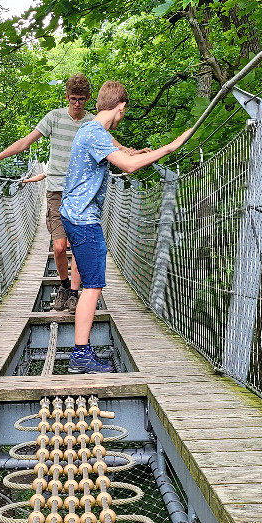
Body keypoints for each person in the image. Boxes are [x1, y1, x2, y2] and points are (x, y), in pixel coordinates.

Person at [0, 73, 145, 314]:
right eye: (73, 99)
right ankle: (64, 285)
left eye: (81, 99)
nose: (77, 103)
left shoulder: (93, 123)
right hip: (56, 190)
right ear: (67, 97)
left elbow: (118, 149)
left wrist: (136, 154)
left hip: (81, 194)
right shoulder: (53, 118)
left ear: (88, 99)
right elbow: (25, 142)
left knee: (77, 245)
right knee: (59, 246)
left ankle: (74, 293)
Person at [60, 81, 192, 373]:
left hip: (73, 215)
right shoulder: (96, 133)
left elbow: (121, 156)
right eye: (123, 112)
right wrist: (171, 147)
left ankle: (81, 353)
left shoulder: (90, 130)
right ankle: (80, 355)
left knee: (90, 283)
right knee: (93, 287)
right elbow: (128, 167)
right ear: (120, 108)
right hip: (83, 219)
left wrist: (135, 153)